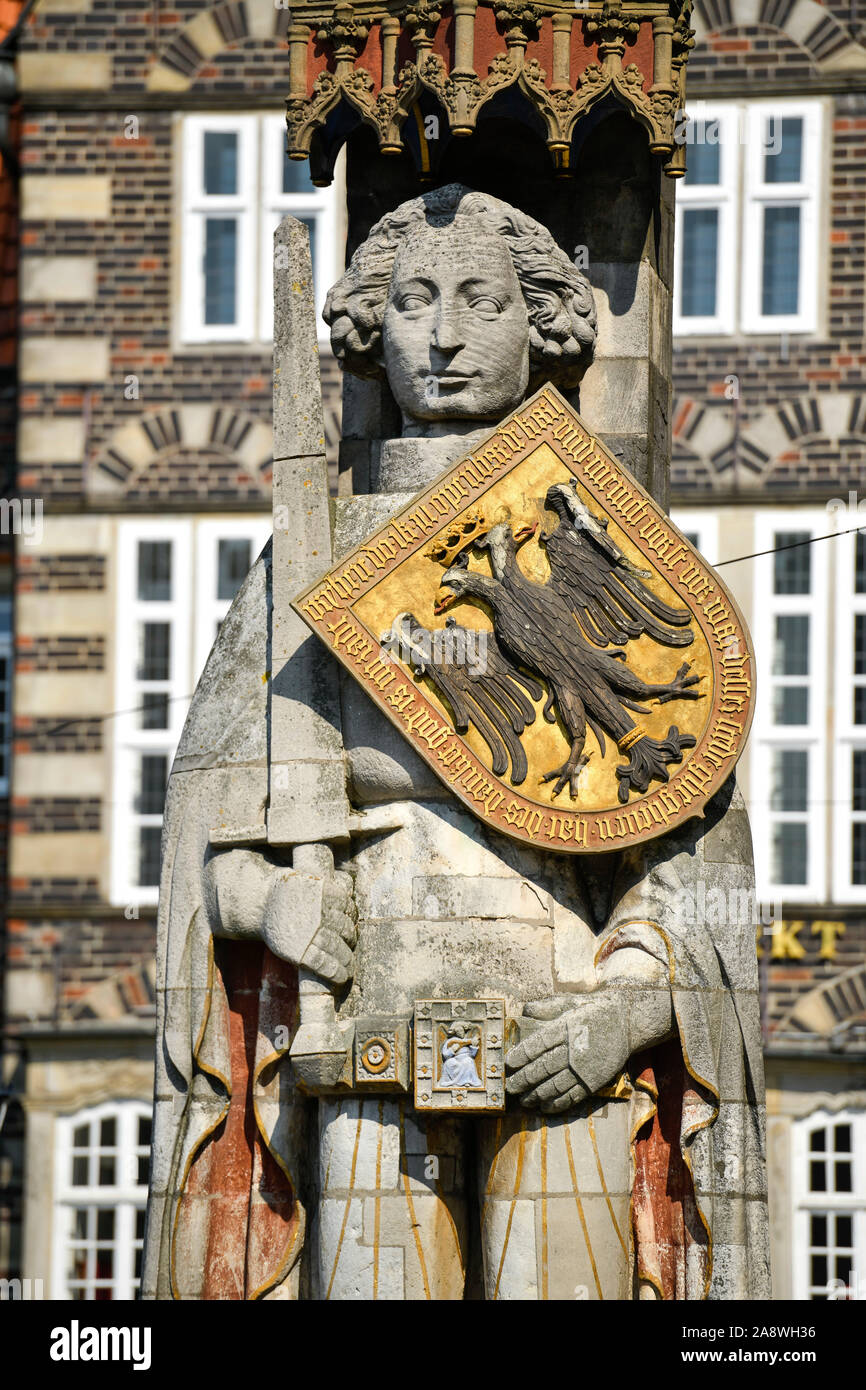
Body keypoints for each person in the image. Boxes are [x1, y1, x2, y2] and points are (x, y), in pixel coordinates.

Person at [143, 185, 770, 1301]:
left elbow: (682, 833)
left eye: (480, 302)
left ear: (540, 324)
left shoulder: (588, 528)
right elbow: (211, 839)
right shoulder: (313, 554)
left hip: (566, 1028)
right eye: (411, 301)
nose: (440, 337)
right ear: (367, 326)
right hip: (362, 1026)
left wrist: (627, 1008)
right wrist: (271, 902)